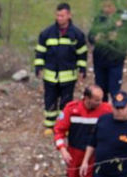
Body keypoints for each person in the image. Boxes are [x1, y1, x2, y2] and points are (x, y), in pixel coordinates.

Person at [53, 84, 112, 177]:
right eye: (97, 100)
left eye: (101, 99)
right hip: (74, 154)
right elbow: (59, 130)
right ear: (87, 98)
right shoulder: (72, 109)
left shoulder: (105, 110)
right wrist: (62, 150)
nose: (100, 102)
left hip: (94, 156)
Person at [34, 3, 88, 136]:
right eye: (58, 15)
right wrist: (38, 66)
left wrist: (82, 68)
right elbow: (40, 51)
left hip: (68, 76)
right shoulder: (47, 33)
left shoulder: (77, 34)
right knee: (50, 100)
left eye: (62, 15)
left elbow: (82, 53)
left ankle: (63, 126)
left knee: (66, 102)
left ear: (69, 15)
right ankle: (49, 126)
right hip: (50, 76)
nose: (60, 18)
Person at [88, 0, 127, 102]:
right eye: (104, 6)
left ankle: (116, 113)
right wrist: (95, 38)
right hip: (100, 60)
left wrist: (118, 37)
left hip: (115, 60)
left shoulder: (123, 17)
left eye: (109, 6)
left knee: (115, 92)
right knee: (100, 91)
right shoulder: (99, 18)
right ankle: (103, 115)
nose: (106, 9)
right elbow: (90, 36)